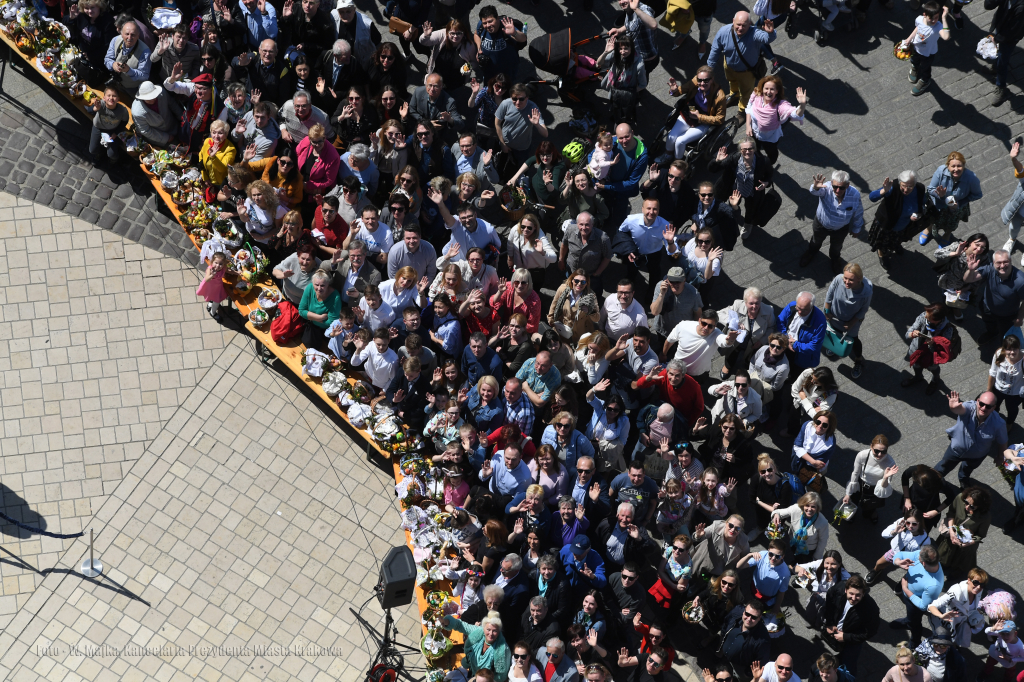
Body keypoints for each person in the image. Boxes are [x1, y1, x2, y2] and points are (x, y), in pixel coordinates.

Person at [706, 12, 777, 122]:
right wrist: (709, 70)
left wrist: (771, 33)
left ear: (749, 24)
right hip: (729, 67)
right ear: (733, 21)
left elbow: (767, 39)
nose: (740, 28)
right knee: (732, 82)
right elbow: (715, 50)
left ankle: (742, 111)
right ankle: (734, 95)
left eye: (744, 25)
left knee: (746, 93)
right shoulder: (723, 31)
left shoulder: (754, 33)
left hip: (746, 73)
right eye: (738, 24)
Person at [936, 391, 1008, 487]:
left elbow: (1002, 442)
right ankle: (933, 481)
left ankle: (963, 479)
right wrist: (953, 408)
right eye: (981, 404)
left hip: (976, 455)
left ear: (994, 408)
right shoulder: (969, 407)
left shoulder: (999, 424)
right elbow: (960, 409)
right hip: (956, 450)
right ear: (977, 401)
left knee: (967, 469)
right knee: (943, 467)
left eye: (988, 406)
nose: (983, 408)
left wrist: (1000, 457)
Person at [799, 170, 865, 273]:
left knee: (836, 247)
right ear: (831, 184)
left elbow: (858, 212)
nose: (837, 190)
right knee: (816, 241)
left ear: (848, 185)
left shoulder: (855, 195)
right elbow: (814, 191)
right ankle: (811, 253)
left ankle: (835, 260)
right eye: (835, 187)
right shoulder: (826, 188)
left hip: (840, 228)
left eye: (841, 187)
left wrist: (857, 228)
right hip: (821, 224)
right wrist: (815, 186)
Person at [707, 140, 772, 242]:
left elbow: (770, 176)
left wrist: (766, 183)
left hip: (753, 191)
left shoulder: (764, 161)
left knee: (751, 210)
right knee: (732, 207)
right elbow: (712, 170)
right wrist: (717, 161)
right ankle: (728, 221)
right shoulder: (734, 158)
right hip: (735, 189)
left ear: (754, 149)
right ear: (740, 150)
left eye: (750, 148)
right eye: (744, 149)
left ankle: (747, 224)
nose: (747, 151)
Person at [868, 170, 931, 268]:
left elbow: (922, 203)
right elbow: (872, 197)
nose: (906, 189)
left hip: (904, 225)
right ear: (899, 183)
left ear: (914, 185)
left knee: (897, 240)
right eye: (903, 186)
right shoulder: (893, 187)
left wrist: (918, 214)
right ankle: (882, 254)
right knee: (883, 243)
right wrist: (884, 191)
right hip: (887, 224)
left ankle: (895, 246)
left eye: (909, 186)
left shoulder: (920, 188)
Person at [962, 248, 1024, 344]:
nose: (1002, 266)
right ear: (993, 263)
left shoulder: (1020, 281)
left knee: (1007, 337)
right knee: (989, 323)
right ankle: (992, 333)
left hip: (1007, 316)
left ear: (1011, 261)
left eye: (1005, 262)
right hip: (987, 307)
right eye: (998, 263)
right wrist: (970, 270)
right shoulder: (990, 269)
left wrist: (1020, 317)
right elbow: (968, 279)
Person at [665, 67, 726, 162]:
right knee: (671, 136)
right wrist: (674, 90)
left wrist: (699, 117)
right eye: (700, 80)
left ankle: (677, 163)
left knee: (680, 142)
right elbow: (680, 90)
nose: (702, 83)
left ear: (712, 79)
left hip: (704, 121)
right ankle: (668, 155)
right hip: (691, 111)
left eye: (706, 80)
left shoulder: (720, 96)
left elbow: (720, 119)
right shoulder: (694, 81)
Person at [821, 576, 879, 675]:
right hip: (836, 628)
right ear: (845, 590)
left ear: (863, 594)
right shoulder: (839, 588)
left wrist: (846, 637)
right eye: (851, 594)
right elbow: (829, 602)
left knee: (849, 666)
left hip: (852, 638)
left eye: (858, 595)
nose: (853, 598)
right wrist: (830, 623)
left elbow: (869, 633)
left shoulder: (871, 609)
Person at [922, 152, 983, 247]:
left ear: (964, 165)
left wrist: (960, 203)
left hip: (956, 207)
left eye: (959, 166)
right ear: (948, 166)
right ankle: (928, 228)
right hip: (938, 204)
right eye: (953, 166)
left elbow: (978, 194)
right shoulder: (941, 171)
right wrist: (940, 195)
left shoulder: (972, 179)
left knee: (951, 224)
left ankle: (947, 235)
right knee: (932, 218)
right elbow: (930, 189)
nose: (956, 169)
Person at [823, 262, 872, 378]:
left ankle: (858, 360)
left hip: (852, 321)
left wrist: (851, 323)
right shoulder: (838, 280)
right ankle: (834, 346)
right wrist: (827, 312)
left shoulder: (866, 292)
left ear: (859, 279)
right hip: (834, 316)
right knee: (834, 332)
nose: (846, 282)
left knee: (854, 340)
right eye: (845, 278)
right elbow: (829, 296)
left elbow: (863, 310)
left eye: (851, 280)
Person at [890, 545, 945, 647]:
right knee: (911, 617)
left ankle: (915, 642)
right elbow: (900, 554)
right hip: (909, 596)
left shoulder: (934, 585)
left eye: (919, 557)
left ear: (923, 563)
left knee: (915, 623)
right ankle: (907, 621)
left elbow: (923, 606)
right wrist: (898, 562)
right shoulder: (922, 555)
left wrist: (905, 589)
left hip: (915, 603)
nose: (916, 555)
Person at [745, 78, 807, 165]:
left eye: (772, 89)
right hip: (753, 133)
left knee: (771, 153)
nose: (768, 92)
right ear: (762, 89)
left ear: (777, 91)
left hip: (770, 138)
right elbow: (749, 108)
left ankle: (767, 166)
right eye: (766, 88)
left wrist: (802, 105)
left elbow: (795, 114)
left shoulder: (780, 105)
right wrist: (748, 125)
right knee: (754, 149)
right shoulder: (756, 95)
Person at [934, 487, 991, 578]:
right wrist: (951, 531)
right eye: (966, 502)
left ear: (979, 506)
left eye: (972, 506)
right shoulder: (960, 498)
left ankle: (956, 573)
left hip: (966, 544)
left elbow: (980, 535)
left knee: (961, 562)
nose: (967, 507)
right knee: (944, 554)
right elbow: (951, 513)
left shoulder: (985, 517)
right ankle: (943, 566)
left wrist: (964, 545)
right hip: (952, 534)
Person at [927, 568, 988, 648]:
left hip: (960, 619)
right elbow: (932, 606)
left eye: (982, 585)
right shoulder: (957, 591)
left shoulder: (979, 590)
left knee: (979, 620)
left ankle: (956, 643)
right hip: (946, 619)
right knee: (943, 640)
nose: (978, 587)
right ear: (969, 580)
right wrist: (941, 616)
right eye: (975, 583)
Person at [843, 435, 898, 524]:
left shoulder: (890, 463)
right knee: (854, 501)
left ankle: (870, 513)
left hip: (875, 488)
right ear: (871, 447)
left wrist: (885, 477)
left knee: (870, 506)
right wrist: (848, 493)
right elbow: (855, 473)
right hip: (861, 483)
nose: (880, 455)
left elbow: (884, 486)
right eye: (876, 451)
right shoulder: (863, 455)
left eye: (884, 452)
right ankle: (852, 513)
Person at [443, 613, 512, 682]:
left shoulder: (503, 650)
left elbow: (501, 676)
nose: (491, 634)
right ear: (484, 628)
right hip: (472, 674)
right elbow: (461, 625)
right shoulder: (478, 633)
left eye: (494, 631)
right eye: (488, 629)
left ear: (499, 631)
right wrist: (447, 621)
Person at [903, 2, 952, 96]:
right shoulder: (919, 19)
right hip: (916, 47)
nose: (934, 21)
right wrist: (909, 39)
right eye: (931, 18)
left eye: (936, 17)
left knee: (926, 67)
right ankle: (915, 67)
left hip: (928, 53)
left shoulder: (938, 26)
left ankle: (925, 81)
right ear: (924, 15)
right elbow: (917, 28)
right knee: (914, 59)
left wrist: (944, 18)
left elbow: (946, 37)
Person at [559, 213, 613, 299]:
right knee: (570, 289)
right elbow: (564, 245)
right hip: (572, 271)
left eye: (587, 225)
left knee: (593, 295)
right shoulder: (570, 230)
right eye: (581, 224)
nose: (584, 228)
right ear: (577, 224)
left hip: (591, 275)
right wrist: (561, 260)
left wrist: (598, 272)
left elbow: (608, 256)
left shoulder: (603, 238)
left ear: (592, 224)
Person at [637, 360, 705, 426]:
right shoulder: (663, 375)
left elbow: (699, 408)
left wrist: (687, 423)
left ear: (683, 375)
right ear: (667, 372)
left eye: (677, 375)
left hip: (681, 415)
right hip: (664, 407)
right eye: (671, 374)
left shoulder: (694, 387)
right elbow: (639, 384)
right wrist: (648, 378)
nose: (673, 378)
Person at [718, 601, 771, 680]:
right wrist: (722, 636)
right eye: (747, 614)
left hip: (739, 665)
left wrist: (748, 673)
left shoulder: (762, 640)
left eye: (754, 617)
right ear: (743, 611)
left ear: (759, 618)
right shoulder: (736, 612)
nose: (749, 619)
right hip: (723, 653)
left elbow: (761, 660)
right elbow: (726, 622)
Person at [777, 292, 827, 372]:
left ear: (811, 307)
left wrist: (794, 345)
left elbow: (815, 346)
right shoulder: (792, 306)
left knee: (795, 372)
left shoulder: (820, 321)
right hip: (784, 343)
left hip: (801, 355)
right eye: (798, 308)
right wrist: (785, 337)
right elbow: (780, 321)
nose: (800, 312)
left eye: (804, 310)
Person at [104, 21, 151, 96]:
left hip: (133, 88)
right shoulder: (115, 40)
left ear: (138, 35)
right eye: (127, 34)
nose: (129, 38)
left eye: (133, 35)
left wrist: (129, 70)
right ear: (121, 34)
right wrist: (113, 65)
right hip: (116, 83)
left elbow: (144, 76)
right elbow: (107, 59)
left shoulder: (145, 52)